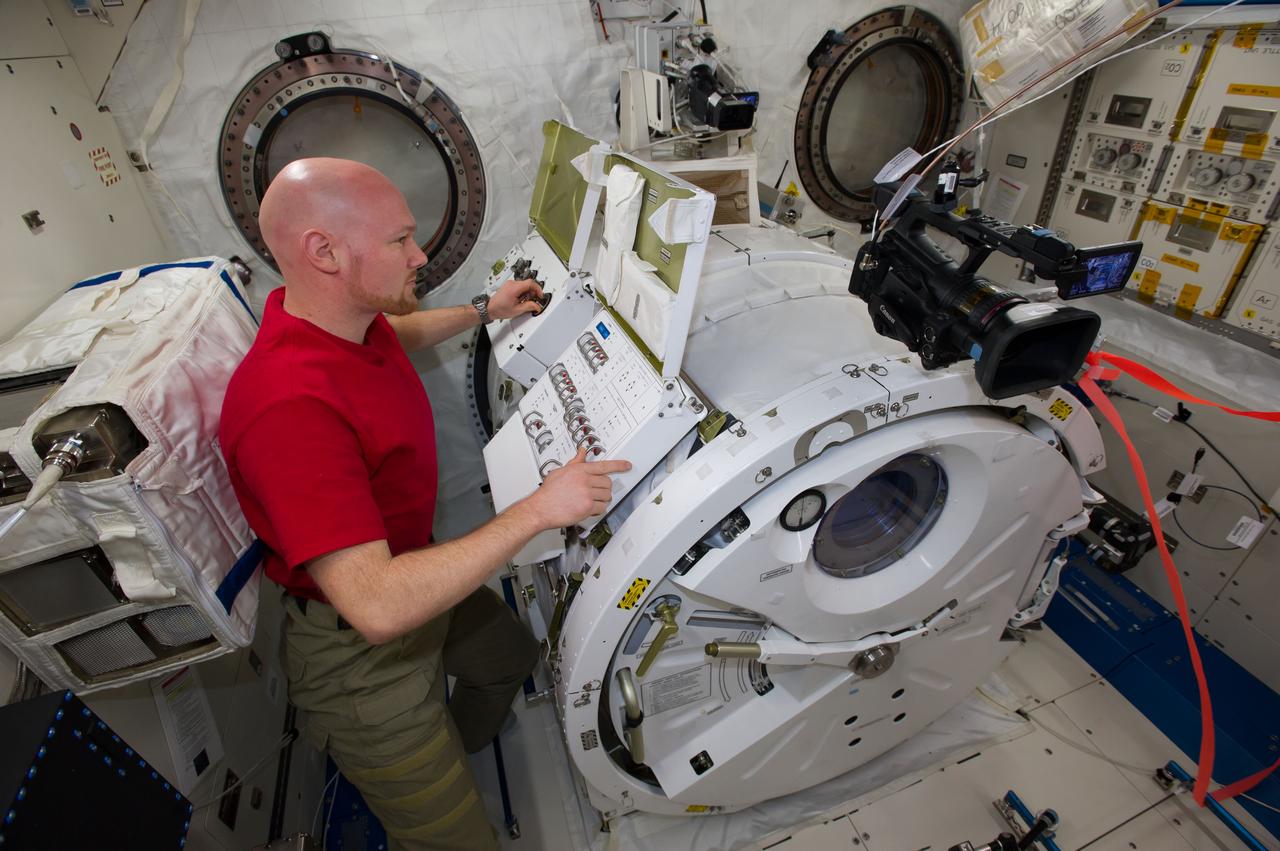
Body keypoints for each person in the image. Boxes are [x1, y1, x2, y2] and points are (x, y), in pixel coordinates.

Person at [219, 157, 631, 851]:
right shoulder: (287, 409)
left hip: (411, 572)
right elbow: (376, 606)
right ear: (323, 251)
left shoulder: (337, 316)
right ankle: (424, 774)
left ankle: (449, 752)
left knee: (508, 658)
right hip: (360, 652)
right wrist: (538, 508)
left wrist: (483, 310)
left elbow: (396, 338)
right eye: (399, 241)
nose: (419, 255)